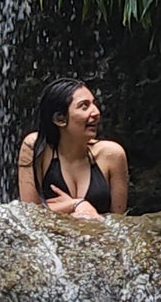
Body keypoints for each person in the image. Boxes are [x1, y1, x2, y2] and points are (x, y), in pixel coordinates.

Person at [17, 79, 128, 219]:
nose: (96, 112)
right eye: (84, 106)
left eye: (94, 104)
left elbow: (119, 225)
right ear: (60, 119)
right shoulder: (36, 147)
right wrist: (78, 204)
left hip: (96, 238)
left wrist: (62, 208)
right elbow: (27, 214)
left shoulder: (112, 155)